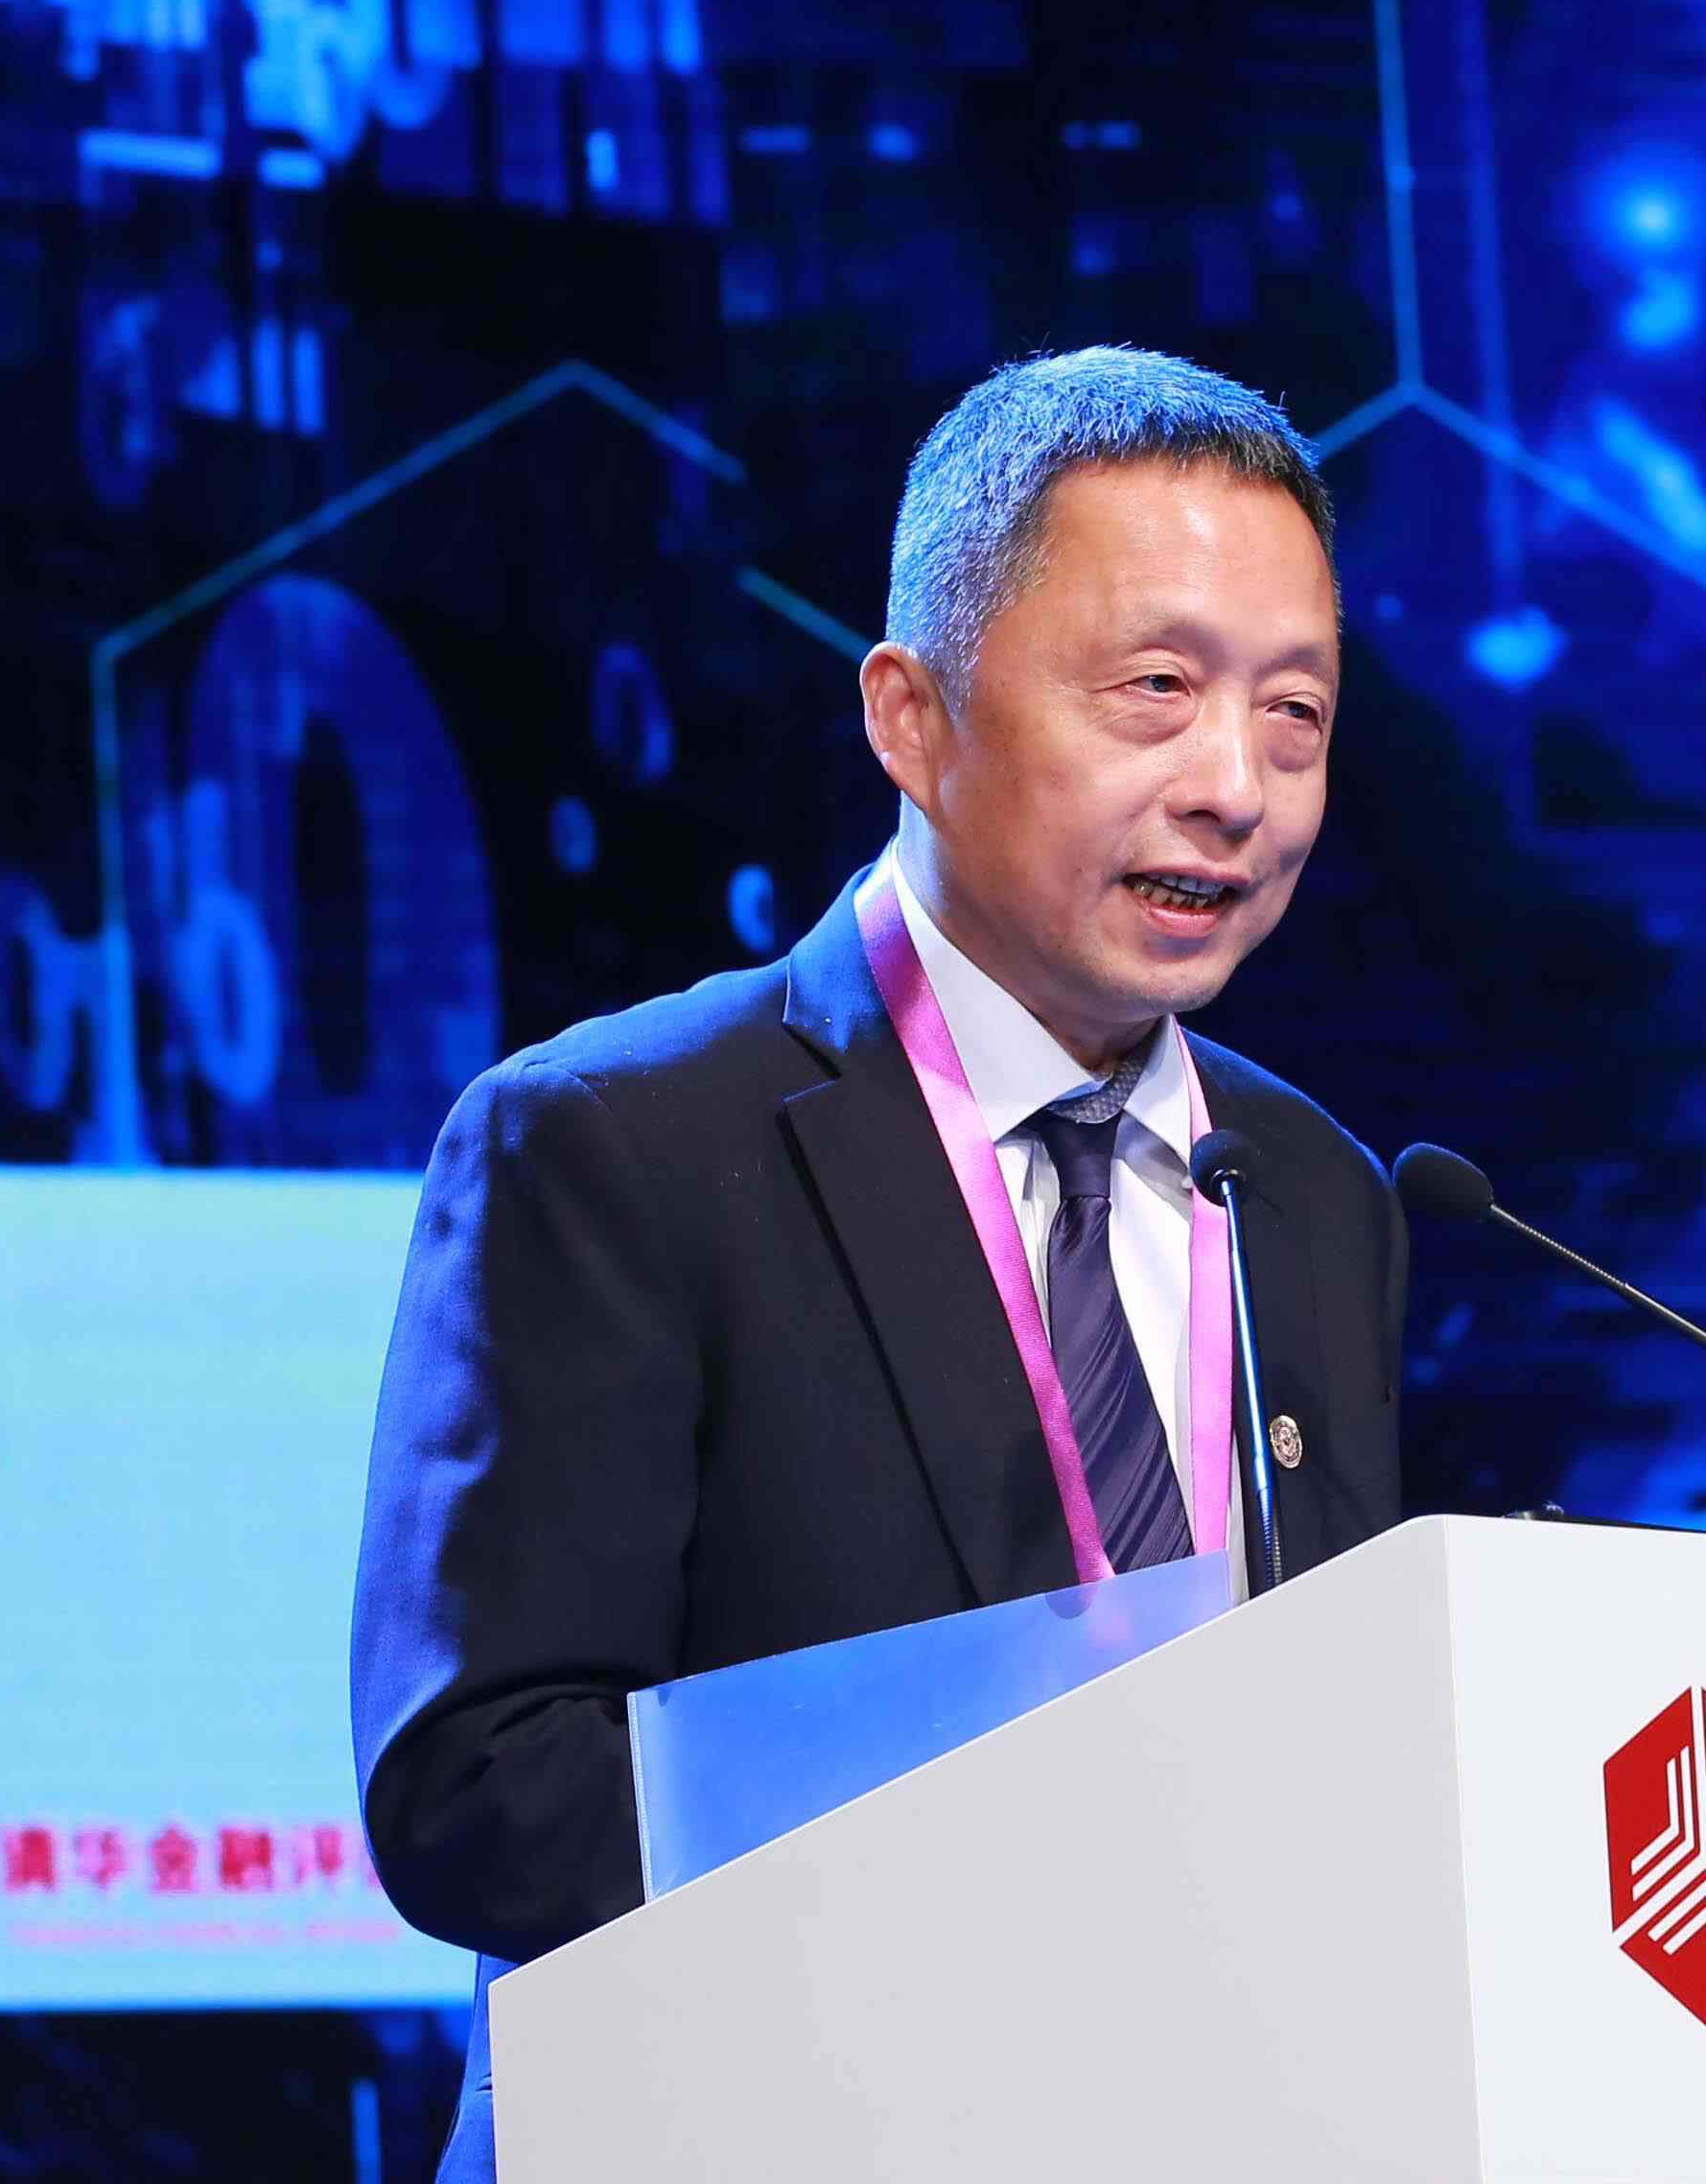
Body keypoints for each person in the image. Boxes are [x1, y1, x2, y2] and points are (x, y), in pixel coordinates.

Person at [348, 347, 1409, 2182]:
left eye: (1294, 714)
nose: (1236, 788)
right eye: (1157, 693)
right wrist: (1045, 1842)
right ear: (913, 718)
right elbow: (479, 1791)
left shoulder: (1315, 1189)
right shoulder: (614, 1146)